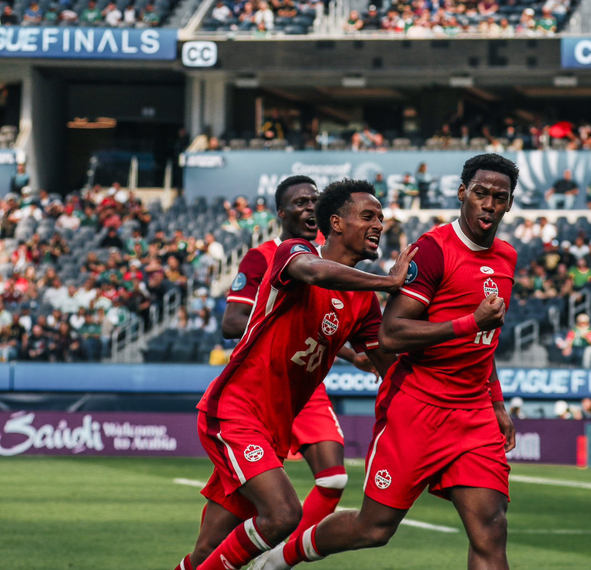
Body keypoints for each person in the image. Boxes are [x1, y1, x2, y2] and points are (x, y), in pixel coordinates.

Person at [257, 154, 519, 570]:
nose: (488, 204)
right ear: (462, 194)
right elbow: (391, 334)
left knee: (490, 528)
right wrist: (469, 322)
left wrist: (497, 404)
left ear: (509, 203)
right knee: (375, 528)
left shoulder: (506, 257)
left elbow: (484, 344)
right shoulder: (432, 251)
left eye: (499, 197)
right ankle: (278, 559)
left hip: (474, 415)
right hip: (419, 405)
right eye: (480, 194)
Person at [175, 180, 415, 570]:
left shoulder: (364, 301)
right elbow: (316, 273)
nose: (379, 226)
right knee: (283, 514)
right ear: (336, 223)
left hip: (272, 428)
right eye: (369, 216)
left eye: (381, 219)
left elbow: (389, 363)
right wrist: (389, 282)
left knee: (207, 551)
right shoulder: (294, 252)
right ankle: (273, 563)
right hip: (235, 412)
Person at [217, 176, 380, 565]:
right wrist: (267, 315)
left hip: (304, 388)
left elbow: (374, 346)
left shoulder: (354, 284)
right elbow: (231, 324)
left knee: (333, 478)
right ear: (283, 214)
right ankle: (263, 548)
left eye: (315, 201)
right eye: (301, 202)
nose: (309, 208)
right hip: (255, 388)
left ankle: (275, 557)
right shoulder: (272, 255)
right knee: (260, 517)